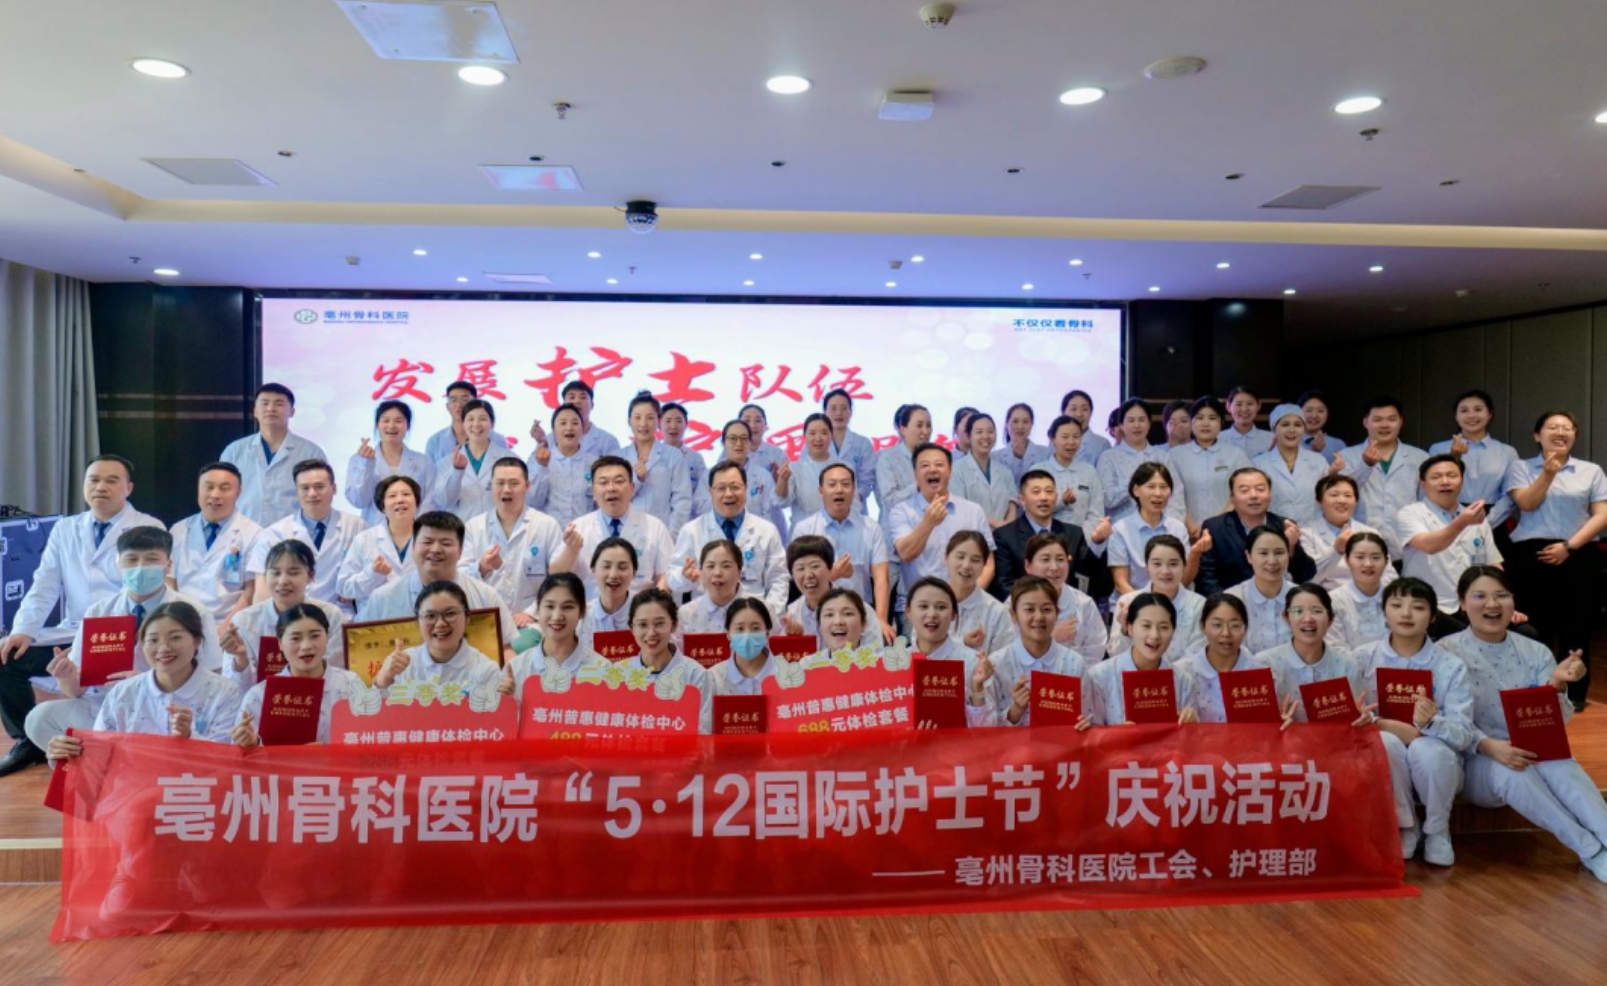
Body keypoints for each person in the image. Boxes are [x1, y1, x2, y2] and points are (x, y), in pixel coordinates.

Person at [1437, 567, 1607, 883]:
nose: (1492, 604)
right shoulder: (1445, 652)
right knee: (1513, 772)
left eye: (1501, 595)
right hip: (1476, 760)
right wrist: (1487, 745)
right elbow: (1444, 721)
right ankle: (1590, 850)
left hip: (1534, 748)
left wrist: (1557, 684)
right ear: (1462, 603)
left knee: (1563, 765)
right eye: (1480, 596)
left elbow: (1558, 721)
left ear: (1513, 601)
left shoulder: (1535, 651)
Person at [0, 455, 164, 775]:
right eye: (94, 480)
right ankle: (28, 741)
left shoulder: (149, 527)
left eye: (112, 480)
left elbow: (150, 590)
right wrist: (24, 630)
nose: (101, 487)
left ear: (128, 488)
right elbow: (45, 584)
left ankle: (113, 736)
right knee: (7, 655)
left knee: (99, 689)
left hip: (125, 632)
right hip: (73, 631)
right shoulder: (66, 528)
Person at [20, 527, 223, 759]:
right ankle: (112, 760)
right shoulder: (99, 612)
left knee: (180, 732)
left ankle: (119, 759)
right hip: (110, 707)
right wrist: (65, 676)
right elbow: (75, 691)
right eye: (132, 560)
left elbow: (213, 677)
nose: (140, 568)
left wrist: (148, 683)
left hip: (169, 709)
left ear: (168, 565)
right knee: (40, 718)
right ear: (118, 564)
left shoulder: (193, 611)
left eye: (151, 560)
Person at [1356, 577, 1476, 867]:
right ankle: (1406, 826)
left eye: (1418, 607)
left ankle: (1437, 830)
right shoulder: (1362, 658)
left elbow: (1464, 735)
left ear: (1433, 617)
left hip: (1439, 763)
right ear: (1384, 612)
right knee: (1385, 742)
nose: (1406, 613)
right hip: (1385, 753)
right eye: (1397, 605)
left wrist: (1431, 724)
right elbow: (1352, 714)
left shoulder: (1451, 665)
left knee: (1427, 750)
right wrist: (1383, 724)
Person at [1503, 410, 1607, 711]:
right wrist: (1548, 473)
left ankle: (1574, 693)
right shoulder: (1521, 467)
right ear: (1537, 435)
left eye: (1567, 428)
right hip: (1531, 554)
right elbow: (1526, 503)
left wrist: (1569, 546)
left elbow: (1602, 515)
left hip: (1578, 550)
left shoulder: (1591, 471)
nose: (1561, 432)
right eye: (1553, 427)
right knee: (1536, 626)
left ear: (1574, 435)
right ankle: (1537, 690)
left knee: (1577, 625)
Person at [44, 602, 240, 758]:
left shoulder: (224, 692)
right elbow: (100, 750)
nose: (164, 648)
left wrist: (190, 737)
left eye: (175, 638)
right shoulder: (123, 692)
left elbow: (229, 760)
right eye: (153, 640)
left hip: (196, 791)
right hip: (133, 791)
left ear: (197, 640)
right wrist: (66, 751)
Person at [355, 512, 517, 660]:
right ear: (413, 548)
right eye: (427, 542)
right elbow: (364, 654)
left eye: (446, 543)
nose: (435, 549)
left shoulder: (485, 596)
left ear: (460, 551)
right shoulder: (382, 599)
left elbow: (504, 650)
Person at [667, 461, 789, 620]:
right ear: (710, 492)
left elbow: (778, 578)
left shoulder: (766, 530)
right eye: (721, 488)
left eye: (735, 487)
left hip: (753, 618)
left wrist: (769, 617)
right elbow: (672, 578)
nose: (729, 494)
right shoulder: (691, 530)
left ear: (746, 488)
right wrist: (685, 577)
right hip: (706, 618)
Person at [220, 539, 346, 692]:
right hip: (260, 702)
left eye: (293, 572)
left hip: (318, 699)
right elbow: (233, 689)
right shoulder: (244, 621)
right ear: (265, 576)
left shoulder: (331, 616)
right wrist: (241, 659)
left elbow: (336, 676)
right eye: (275, 572)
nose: (283, 581)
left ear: (310, 576)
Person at [231, 604, 364, 747]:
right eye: (295, 638)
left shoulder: (352, 684)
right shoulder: (259, 695)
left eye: (315, 636)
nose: (306, 646)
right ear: (280, 644)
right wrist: (252, 743)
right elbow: (242, 753)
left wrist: (328, 753)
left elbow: (371, 738)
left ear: (327, 637)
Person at [789, 464, 892, 637]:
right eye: (832, 484)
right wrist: (832, 575)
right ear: (821, 491)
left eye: (845, 484)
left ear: (854, 490)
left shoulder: (871, 528)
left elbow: (881, 578)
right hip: (818, 614)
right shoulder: (805, 529)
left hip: (861, 615)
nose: (839, 490)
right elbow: (800, 579)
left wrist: (880, 619)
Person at [249, 460, 366, 614]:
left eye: (319, 487)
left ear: (334, 489)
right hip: (291, 617)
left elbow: (370, 573)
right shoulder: (274, 534)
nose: (312, 494)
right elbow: (262, 589)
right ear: (296, 491)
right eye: (305, 488)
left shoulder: (357, 526)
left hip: (342, 616)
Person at [979, 576, 1093, 727]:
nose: (1039, 617)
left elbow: (1087, 714)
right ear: (1014, 615)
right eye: (1029, 610)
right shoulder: (997, 663)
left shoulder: (1074, 663)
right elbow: (985, 725)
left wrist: (1084, 724)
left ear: (1057, 613)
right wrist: (1015, 711)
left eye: (1046, 610)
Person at [459, 459, 568, 617]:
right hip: (486, 616)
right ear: (490, 485)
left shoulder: (546, 525)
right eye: (500, 483)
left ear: (527, 486)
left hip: (533, 618)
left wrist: (532, 612)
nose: (506, 489)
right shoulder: (474, 527)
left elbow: (558, 579)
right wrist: (481, 567)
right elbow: (459, 577)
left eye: (514, 483)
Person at [1397, 454, 1502, 617]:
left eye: (1452, 475)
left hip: (1472, 605)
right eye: (1436, 477)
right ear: (1422, 484)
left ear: (1462, 481)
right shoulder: (1410, 513)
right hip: (1428, 605)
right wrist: (1462, 522)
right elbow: (1429, 545)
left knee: (1524, 629)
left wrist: (1501, 601)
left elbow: (1493, 565)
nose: (1445, 481)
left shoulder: (1477, 517)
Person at [889, 443, 996, 591]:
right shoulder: (902, 511)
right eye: (925, 465)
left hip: (965, 599)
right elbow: (906, 554)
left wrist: (966, 595)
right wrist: (928, 522)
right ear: (915, 474)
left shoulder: (973, 511)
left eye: (939, 464)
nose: (932, 469)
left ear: (950, 471)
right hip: (916, 600)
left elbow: (988, 563)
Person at [167, 462, 265, 624]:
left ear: (238, 493)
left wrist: (225, 630)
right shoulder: (179, 530)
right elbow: (169, 581)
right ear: (198, 490)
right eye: (209, 487)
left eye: (224, 488)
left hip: (229, 623)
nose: (215, 495)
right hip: (182, 621)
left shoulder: (254, 534)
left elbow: (251, 590)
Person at [220, 383, 330, 526]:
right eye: (265, 403)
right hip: (243, 531)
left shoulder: (311, 452)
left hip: (294, 532)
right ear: (255, 411)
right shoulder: (234, 451)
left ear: (292, 412)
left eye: (279, 404)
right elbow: (222, 492)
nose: (271, 408)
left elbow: (321, 497)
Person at [1194, 468, 1316, 596]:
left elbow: (1306, 575)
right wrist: (1228, 604)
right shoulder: (1215, 528)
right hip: (1232, 602)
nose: (1253, 495)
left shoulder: (1285, 525)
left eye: (1260, 489)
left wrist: (1292, 548)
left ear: (1270, 494)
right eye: (1244, 490)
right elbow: (1205, 579)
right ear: (1232, 498)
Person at [568, 455, 676, 596]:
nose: (611, 488)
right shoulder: (578, 527)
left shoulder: (655, 527)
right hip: (591, 607)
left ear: (632, 488)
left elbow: (665, 575)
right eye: (603, 482)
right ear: (593, 492)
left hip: (639, 607)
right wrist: (570, 550)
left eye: (619, 481)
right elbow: (558, 574)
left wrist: (654, 603)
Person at [1262, 583, 1369, 724]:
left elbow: (1359, 713)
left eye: (1317, 611)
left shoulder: (1347, 666)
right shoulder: (1265, 664)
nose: (1307, 619)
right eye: (1298, 611)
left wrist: (1363, 718)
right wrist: (1275, 722)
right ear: (1286, 617)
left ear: (1330, 619)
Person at [1086, 593, 1199, 725]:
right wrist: (1115, 734)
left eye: (1163, 627)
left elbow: (1189, 736)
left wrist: (1190, 723)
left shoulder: (1183, 681)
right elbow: (1090, 731)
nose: (1154, 635)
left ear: (1173, 631)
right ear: (1129, 628)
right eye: (1146, 626)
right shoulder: (1099, 677)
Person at [991, 468, 1099, 602]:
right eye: (1036, 492)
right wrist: (1043, 604)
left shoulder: (1073, 533)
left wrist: (1098, 543)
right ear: (1022, 500)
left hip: (1068, 606)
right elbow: (1004, 585)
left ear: (1056, 497)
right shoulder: (1004, 536)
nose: (1044, 497)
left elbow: (1089, 576)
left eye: (1049, 491)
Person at [1339, 396, 1429, 556]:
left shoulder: (1419, 457)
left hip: (1407, 542)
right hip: (1360, 541)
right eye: (1377, 419)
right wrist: (1365, 465)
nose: (1385, 425)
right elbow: (1342, 494)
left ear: (1401, 421)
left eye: (1391, 419)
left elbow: (1426, 501)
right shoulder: (1346, 456)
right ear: (1365, 422)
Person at [903, 577, 998, 727]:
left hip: (957, 742)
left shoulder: (973, 663)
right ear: (908, 612)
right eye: (923, 606)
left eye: (941, 607)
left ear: (953, 614)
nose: (932, 614)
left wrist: (977, 689)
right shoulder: (894, 664)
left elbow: (988, 728)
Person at [372, 581, 502, 691]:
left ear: (467, 617)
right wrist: (383, 679)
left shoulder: (486, 670)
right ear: (418, 622)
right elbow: (374, 711)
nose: (440, 623)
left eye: (450, 613)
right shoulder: (402, 665)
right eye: (430, 616)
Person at [622, 587, 712, 732]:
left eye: (659, 623)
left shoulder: (695, 675)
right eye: (643, 625)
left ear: (674, 625)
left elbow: (703, 732)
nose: (651, 633)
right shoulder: (619, 674)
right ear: (632, 629)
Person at [1100, 463, 1196, 600]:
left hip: (1173, 602)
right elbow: (1121, 583)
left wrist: (1196, 553)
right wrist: (1148, 607)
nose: (1158, 493)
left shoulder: (1178, 528)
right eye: (1151, 487)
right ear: (1136, 490)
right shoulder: (1121, 529)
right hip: (1133, 603)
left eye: (1163, 487)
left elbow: (1185, 579)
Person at [500, 573, 607, 697]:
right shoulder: (516, 669)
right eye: (550, 606)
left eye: (567, 607)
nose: (556, 616)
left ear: (582, 610)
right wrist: (503, 699)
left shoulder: (602, 670)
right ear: (538, 609)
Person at [1427, 389, 1518, 532]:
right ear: (1456, 416)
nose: (1471, 415)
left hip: (1493, 521)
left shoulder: (1507, 452)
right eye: (1464, 411)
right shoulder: (1438, 449)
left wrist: (1486, 522)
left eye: (1478, 409)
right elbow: (1432, 489)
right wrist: (1453, 457)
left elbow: (1509, 496)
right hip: (1448, 519)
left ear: (1489, 414)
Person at [1107, 535, 1205, 661]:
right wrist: (1124, 631)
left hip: (1183, 673)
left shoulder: (1199, 605)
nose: (1165, 571)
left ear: (1184, 565)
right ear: (1147, 567)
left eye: (1173, 564)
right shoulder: (1127, 602)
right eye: (1157, 564)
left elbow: (1198, 654)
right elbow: (1115, 654)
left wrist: (1163, 671)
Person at [1175, 593, 1266, 722]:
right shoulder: (1182, 673)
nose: (1226, 633)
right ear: (1202, 626)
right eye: (1217, 625)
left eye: (1235, 626)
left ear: (1245, 629)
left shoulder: (1259, 673)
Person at [345, 399, 436, 527]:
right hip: (373, 529)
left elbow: (429, 502)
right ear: (377, 425)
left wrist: (417, 528)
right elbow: (359, 501)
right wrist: (366, 465)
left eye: (398, 421)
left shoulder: (423, 461)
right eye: (386, 420)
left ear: (408, 426)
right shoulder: (358, 460)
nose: (391, 426)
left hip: (413, 530)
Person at [1167, 396, 1252, 534]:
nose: (1205, 423)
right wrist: (1190, 525)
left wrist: (1216, 525)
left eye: (1212, 418)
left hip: (1227, 529)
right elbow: (1172, 494)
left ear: (1221, 423)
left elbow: (1245, 491)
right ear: (1191, 422)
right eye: (1199, 418)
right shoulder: (1175, 456)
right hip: (1186, 530)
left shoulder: (1236, 454)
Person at [1097, 399, 1188, 524]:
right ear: (1121, 425)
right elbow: (1107, 499)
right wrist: (1133, 482)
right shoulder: (1108, 457)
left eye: (1141, 420)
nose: (1137, 425)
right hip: (1122, 530)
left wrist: (1169, 526)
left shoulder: (1162, 457)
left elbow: (1176, 494)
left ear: (1149, 424)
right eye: (1131, 420)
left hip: (1160, 529)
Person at [1022, 533, 1108, 664]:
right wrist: (1051, 639)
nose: (1054, 567)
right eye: (1045, 560)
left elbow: (1096, 651)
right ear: (1028, 566)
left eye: (1060, 559)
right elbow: (1010, 653)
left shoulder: (1084, 603)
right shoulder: (1015, 604)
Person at [1252, 403, 1341, 527]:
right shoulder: (1259, 464)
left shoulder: (1318, 461)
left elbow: (1328, 496)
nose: (1292, 430)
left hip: (1312, 532)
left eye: (1298, 425)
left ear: (1304, 429)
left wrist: (1333, 475)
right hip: (1273, 531)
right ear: (1273, 429)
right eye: (1285, 424)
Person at [337, 474, 420, 607]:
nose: (400, 500)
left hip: (420, 614)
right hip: (376, 616)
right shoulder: (364, 539)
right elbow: (344, 588)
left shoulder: (431, 537)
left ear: (416, 502)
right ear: (382, 507)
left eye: (406, 494)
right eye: (392, 496)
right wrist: (372, 574)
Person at [431, 398, 520, 519]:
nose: (476, 424)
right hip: (462, 527)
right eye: (470, 419)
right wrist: (456, 471)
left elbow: (518, 497)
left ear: (492, 424)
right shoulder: (446, 462)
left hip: (499, 526)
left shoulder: (509, 458)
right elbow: (444, 500)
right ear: (463, 424)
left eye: (483, 419)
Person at [782, 538, 880, 648]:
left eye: (815, 566)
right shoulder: (791, 616)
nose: (808, 575)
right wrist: (794, 642)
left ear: (830, 568)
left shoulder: (857, 608)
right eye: (800, 569)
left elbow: (875, 651)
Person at [1299, 474, 1392, 590]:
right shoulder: (1306, 535)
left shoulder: (1371, 533)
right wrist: (1336, 551)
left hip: (1367, 596)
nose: (1342, 500)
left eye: (1348, 495)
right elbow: (1307, 578)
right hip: (1325, 597)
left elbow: (1389, 575)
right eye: (1334, 495)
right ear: (1319, 500)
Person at [625, 391, 692, 532]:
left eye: (650, 418)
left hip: (663, 532)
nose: (643, 424)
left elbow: (682, 501)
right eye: (637, 417)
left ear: (658, 421)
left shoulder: (674, 456)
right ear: (629, 421)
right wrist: (637, 480)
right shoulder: (618, 457)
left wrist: (672, 537)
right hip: (626, 532)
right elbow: (615, 497)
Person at [1225, 525, 1297, 654]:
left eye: (1279, 553)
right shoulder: (1232, 599)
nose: (1272, 561)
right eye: (1263, 553)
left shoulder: (1302, 598)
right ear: (1249, 556)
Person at [527, 403, 598, 527]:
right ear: (554, 431)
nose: (569, 428)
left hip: (586, 533)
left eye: (575, 423)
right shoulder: (537, 459)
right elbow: (532, 502)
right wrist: (542, 467)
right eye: (563, 423)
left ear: (582, 430)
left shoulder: (594, 464)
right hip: (550, 534)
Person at [946, 532, 1017, 655]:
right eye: (960, 557)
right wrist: (962, 642)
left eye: (975, 560)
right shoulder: (927, 602)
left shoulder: (997, 612)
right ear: (946, 558)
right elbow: (919, 649)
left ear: (984, 565)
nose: (966, 566)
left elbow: (1005, 659)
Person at [698, 420, 783, 520]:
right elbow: (700, 507)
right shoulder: (709, 475)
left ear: (750, 443)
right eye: (733, 438)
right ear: (723, 443)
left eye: (744, 438)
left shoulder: (763, 476)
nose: (739, 443)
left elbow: (769, 512)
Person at [951, 412, 1018, 526]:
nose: (985, 436)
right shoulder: (957, 469)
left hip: (1004, 533)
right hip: (972, 532)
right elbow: (960, 507)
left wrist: (1007, 527)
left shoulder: (1005, 471)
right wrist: (996, 524)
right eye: (979, 432)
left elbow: (1012, 504)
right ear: (969, 436)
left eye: (990, 431)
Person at [1327, 533, 1392, 651]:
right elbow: (1335, 649)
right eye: (1360, 557)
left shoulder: (1396, 599)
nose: (1368, 564)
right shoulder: (1332, 601)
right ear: (1347, 560)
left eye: (1376, 558)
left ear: (1386, 561)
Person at [1041, 414, 1105, 533]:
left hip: (1083, 538)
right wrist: (1062, 501)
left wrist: (1080, 538)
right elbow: (1032, 509)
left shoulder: (1089, 471)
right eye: (1065, 437)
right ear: (1052, 438)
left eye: (1076, 437)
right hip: (1046, 538)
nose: (1071, 442)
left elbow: (1096, 513)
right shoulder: (1039, 471)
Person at [739, 403, 794, 540]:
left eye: (758, 420)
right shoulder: (728, 455)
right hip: (740, 520)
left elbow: (786, 499)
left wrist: (780, 482)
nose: (753, 425)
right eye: (747, 420)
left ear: (765, 425)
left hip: (772, 520)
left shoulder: (777, 454)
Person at [529, 380, 621, 459]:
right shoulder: (549, 440)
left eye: (583, 397)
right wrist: (543, 445)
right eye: (572, 397)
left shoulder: (608, 441)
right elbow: (532, 471)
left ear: (592, 405)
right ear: (564, 405)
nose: (577, 401)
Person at [707, 596, 780, 696]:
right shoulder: (713, 678)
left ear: (767, 633)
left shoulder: (788, 675)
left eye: (755, 628)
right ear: (728, 634)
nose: (747, 636)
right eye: (740, 629)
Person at [675, 540, 746, 639]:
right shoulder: (686, 613)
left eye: (726, 566)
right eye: (710, 566)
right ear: (701, 571)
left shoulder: (760, 609)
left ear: (739, 572)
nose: (717, 573)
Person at [425, 380, 508, 464]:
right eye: (453, 400)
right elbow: (429, 471)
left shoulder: (496, 439)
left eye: (465, 399)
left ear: (475, 403)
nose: (459, 405)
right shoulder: (435, 442)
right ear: (447, 406)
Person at [783, 413, 844, 525]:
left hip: (836, 528)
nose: (818, 438)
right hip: (804, 530)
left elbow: (853, 505)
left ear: (831, 435)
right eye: (812, 433)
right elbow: (783, 502)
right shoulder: (794, 468)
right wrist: (782, 482)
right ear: (804, 436)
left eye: (824, 433)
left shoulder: (844, 467)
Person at [822, 388, 878, 509]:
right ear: (825, 412)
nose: (838, 413)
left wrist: (851, 498)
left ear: (851, 412)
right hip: (822, 507)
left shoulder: (863, 443)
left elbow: (867, 481)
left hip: (855, 508)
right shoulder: (814, 444)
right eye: (833, 408)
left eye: (844, 408)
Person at [875, 403, 931, 516]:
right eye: (919, 426)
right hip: (897, 524)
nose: (925, 431)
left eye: (928, 425)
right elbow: (888, 501)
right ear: (903, 429)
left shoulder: (935, 457)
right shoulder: (887, 458)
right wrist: (918, 486)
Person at [577, 538, 638, 637]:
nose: (613, 575)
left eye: (622, 567)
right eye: (606, 566)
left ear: (634, 572)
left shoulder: (646, 613)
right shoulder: (581, 617)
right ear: (593, 570)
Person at [659, 402, 708, 518]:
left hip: (689, 518)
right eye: (668, 421)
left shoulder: (696, 458)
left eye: (679, 421)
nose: (673, 426)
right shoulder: (652, 455)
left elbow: (703, 492)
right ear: (659, 424)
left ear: (686, 425)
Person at [993, 402, 1051, 485]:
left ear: (1031, 425)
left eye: (1025, 422)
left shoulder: (1046, 454)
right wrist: (1016, 459)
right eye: (1015, 421)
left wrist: (1025, 457)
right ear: (1007, 424)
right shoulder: (994, 457)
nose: (1020, 426)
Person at [1060, 390, 1111, 465]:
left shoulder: (1102, 444)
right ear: (1063, 413)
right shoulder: (1056, 441)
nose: (1079, 414)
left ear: (1091, 413)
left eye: (1084, 409)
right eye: (1073, 409)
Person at [1222, 385, 1273, 456]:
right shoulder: (1218, 439)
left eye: (1250, 404)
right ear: (1228, 406)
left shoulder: (1271, 439)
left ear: (1258, 406)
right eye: (1238, 404)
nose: (1244, 409)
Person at [1298, 390, 1343, 464]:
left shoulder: (1338, 445)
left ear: (1327, 414)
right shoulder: (1288, 442)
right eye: (1309, 410)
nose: (1314, 416)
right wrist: (1313, 452)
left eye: (1320, 411)